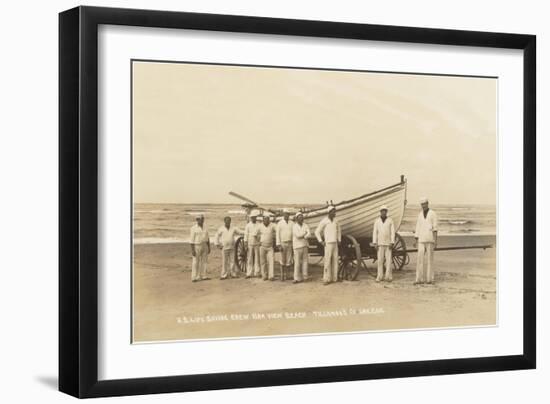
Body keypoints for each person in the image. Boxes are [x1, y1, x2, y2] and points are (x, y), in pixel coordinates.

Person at [414, 197, 438, 285]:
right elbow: (418, 227)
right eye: (422, 204)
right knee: (419, 259)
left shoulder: (433, 213)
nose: (423, 206)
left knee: (430, 259)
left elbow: (435, 228)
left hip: (430, 239)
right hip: (421, 239)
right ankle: (418, 279)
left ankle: (430, 279)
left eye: (425, 204)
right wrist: (416, 239)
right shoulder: (420, 214)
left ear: (427, 203)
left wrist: (435, 240)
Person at [315, 206, 341, 285]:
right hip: (328, 244)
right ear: (329, 212)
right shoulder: (324, 221)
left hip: (335, 243)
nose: (335, 213)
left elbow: (339, 230)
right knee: (327, 261)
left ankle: (335, 278)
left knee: (335, 260)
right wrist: (321, 241)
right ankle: (326, 279)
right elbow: (317, 232)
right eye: (333, 211)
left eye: (335, 211)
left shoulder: (336, 221)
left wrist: (339, 240)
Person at [372, 205, 396, 282]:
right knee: (380, 261)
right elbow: (375, 232)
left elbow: (393, 232)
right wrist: (375, 243)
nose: (383, 212)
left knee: (388, 261)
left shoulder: (390, 220)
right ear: (380, 212)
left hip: (388, 244)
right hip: (380, 243)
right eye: (382, 211)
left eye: (385, 211)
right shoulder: (377, 221)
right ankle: (379, 276)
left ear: (386, 212)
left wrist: (392, 242)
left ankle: (388, 276)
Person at [189, 213, 210, 282]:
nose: (201, 220)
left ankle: (204, 276)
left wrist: (209, 247)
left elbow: (207, 237)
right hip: (197, 245)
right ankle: (194, 277)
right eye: (200, 219)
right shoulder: (193, 228)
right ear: (197, 220)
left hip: (204, 245)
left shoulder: (206, 227)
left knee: (204, 261)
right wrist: (192, 250)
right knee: (195, 262)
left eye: (202, 219)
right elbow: (191, 240)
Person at [292, 212, 311, 283]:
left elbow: (309, 234)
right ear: (297, 219)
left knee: (305, 262)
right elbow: (298, 235)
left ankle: (305, 277)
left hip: (305, 245)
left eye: (302, 217)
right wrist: (305, 234)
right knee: (297, 262)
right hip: (297, 246)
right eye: (299, 218)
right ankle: (296, 278)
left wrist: (305, 235)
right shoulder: (294, 226)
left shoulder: (305, 225)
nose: (301, 219)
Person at [276, 208, 294, 281]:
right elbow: (277, 235)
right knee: (282, 260)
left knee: (289, 260)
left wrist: (293, 244)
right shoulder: (280, 223)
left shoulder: (292, 223)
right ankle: (282, 275)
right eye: (285, 214)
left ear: (289, 215)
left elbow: (293, 234)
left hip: (290, 243)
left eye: (288, 214)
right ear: (283, 214)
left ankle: (287, 275)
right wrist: (278, 245)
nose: (286, 215)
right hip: (282, 243)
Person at [258, 213, 277, 280]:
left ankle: (271, 276)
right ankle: (264, 276)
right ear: (263, 220)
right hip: (262, 246)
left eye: (267, 219)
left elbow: (278, 230)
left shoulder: (273, 225)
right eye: (265, 219)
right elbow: (255, 234)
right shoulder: (260, 226)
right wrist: (258, 241)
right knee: (263, 262)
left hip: (270, 247)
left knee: (271, 261)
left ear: (269, 220)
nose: (266, 220)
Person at [244, 209, 261, 278]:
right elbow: (246, 234)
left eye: (254, 217)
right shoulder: (248, 225)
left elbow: (261, 233)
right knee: (249, 258)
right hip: (250, 243)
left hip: (257, 243)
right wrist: (245, 242)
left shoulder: (259, 225)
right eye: (252, 217)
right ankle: (249, 273)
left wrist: (258, 237)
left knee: (257, 258)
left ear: (256, 218)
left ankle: (257, 272)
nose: (253, 218)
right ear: (251, 218)